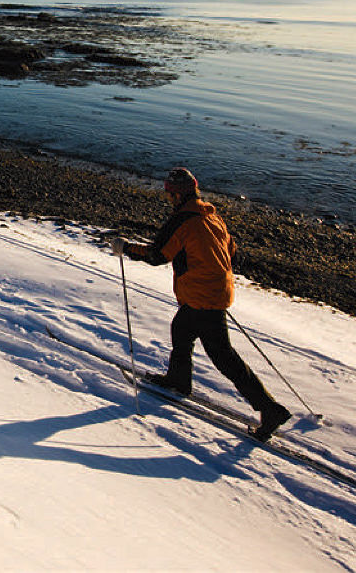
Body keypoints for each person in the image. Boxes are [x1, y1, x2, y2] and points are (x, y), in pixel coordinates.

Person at [110, 167, 291, 441]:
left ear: (177, 194)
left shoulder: (183, 220)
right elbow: (231, 248)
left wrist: (126, 248)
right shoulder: (211, 215)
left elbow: (158, 254)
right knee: (182, 329)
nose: (168, 198)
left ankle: (269, 409)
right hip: (217, 289)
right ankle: (178, 380)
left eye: (169, 193)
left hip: (202, 294)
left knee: (223, 356)